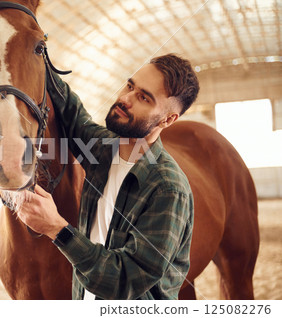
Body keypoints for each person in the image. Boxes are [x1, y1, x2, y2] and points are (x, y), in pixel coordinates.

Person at [15, 53, 200, 300]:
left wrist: (57, 228)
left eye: (143, 97)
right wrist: (37, 52)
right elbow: (72, 112)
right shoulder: (103, 149)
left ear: (168, 120)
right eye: (130, 86)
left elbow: (125, 281)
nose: (125, 98)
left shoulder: (168, 188)